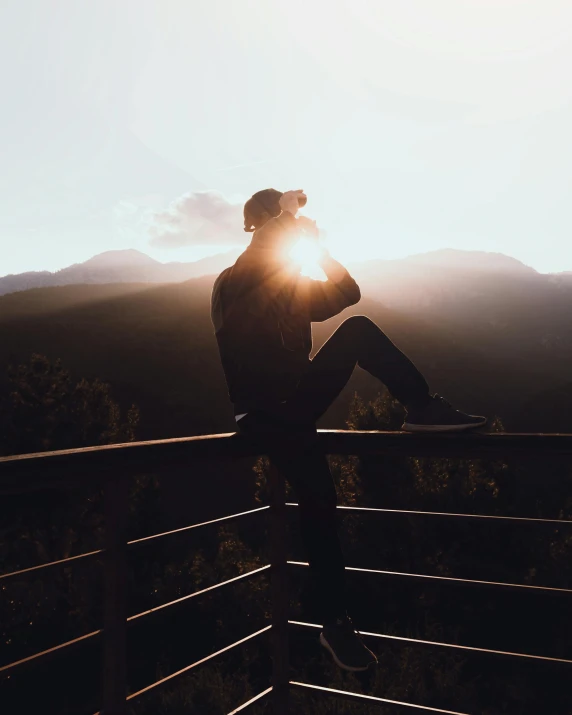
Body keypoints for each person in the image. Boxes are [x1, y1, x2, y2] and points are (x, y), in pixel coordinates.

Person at [210, 188, 486, 672]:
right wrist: (289, 214)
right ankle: (335, 620)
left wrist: (320, 253)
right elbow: (259, 257)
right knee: (320, 499)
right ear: (262, 227)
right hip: (262, 412)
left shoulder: (288, 285)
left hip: (292, 408)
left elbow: (346, 294)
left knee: (322, 501)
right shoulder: (234, 279)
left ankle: (334, 624)